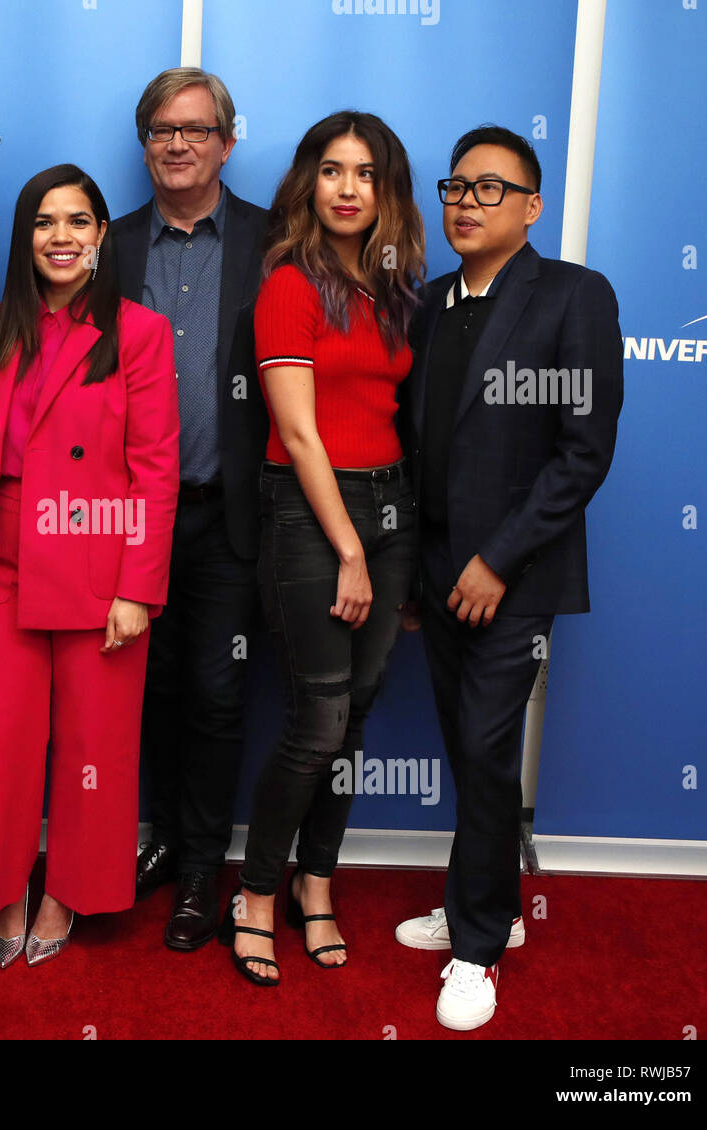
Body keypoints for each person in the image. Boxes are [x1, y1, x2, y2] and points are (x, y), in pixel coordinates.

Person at [394, 125, 621, 1029]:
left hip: (513, 575)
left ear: (532, 207)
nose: (465, 202)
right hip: (441, 570)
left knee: (486, 753)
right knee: (467, 750)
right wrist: (421, 571)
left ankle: (479, 944)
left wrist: (496, 560)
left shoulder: (573, 296)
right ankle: (484, 900)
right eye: (455, 186)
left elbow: (582, 452)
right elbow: (417, 452)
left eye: (491, 189)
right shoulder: (428, 303)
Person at [219, 111, 424, 986]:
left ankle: (318, 882)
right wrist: (346, 547)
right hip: (314, 515)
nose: (348, 188)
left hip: (393, 509)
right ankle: (256, 894)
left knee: (358, 721)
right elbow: (298, 435)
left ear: (387, 191)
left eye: (366, 173)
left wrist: (383, 537)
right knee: (319, 722)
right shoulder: (288, 284)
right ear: (309, 183)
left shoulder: (392, 289)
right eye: (332, 170)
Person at [0, 164, 179, 968]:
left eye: (79, 221)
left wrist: (136, 589)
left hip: (98, 567)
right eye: (46, 222)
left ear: (100, 237)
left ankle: (68, 893)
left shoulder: (139, 333)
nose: (62, 236)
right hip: (3, 562)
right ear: (26, 238)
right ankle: (6, 887)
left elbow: (156, 469)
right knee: (1, 742)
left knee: (94, 748)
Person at [112, 68, 269, 951]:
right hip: (130, 517)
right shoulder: (107, 243)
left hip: (229, 515)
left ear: (227, 142)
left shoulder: (271, 241)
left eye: (197, 130)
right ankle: (162, 836)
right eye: (164, 130)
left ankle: (207, 862)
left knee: (217, 692)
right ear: (146, 144)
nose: (179, 144)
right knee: (149, 689)